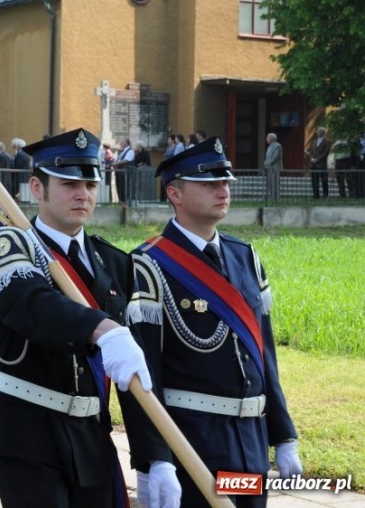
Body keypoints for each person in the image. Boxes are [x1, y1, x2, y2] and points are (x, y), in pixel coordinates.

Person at [0, 128, 171, 508]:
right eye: (69, 184)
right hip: (26, 432)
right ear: (37, 187)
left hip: (91, 433)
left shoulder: (113, 262)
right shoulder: (9, 246)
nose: (83, 194)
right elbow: (32, 306)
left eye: (90, 184)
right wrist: (103, 329)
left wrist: (153, 457)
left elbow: (131, 367)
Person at [126, 137, 302, 507]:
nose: (222, 191)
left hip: (250, 442)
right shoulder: (148, 264)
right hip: (194, 442)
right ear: (174, 193)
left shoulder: (245, 256)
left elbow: (265, 355)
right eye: (209, 184)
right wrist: (155, 458)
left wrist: (284, 435)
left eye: (225, 182)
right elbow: (144, 375)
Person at [308, 126, 330, 199]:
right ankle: (316, 194)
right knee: (314, 180)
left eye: (319, 131)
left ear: (323, 133)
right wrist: (311, 158)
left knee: (324, 180)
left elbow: (326, 152)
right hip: (313, 164)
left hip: (322, 164)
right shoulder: (314, 141)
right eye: (318, 131)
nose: (318, 133)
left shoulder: (327, 141)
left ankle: (325, 194)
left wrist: (317, 159)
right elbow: (311, 152)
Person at [112, 138, 135, 204]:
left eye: (122, 142)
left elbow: (127, 160)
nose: (121, 143)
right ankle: (121, 201)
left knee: (124, 187)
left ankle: (125, 202)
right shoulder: (122, 151)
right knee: (119, 187)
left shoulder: (130, 151)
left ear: (127, 143)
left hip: (125, 173)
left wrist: (116, 163)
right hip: (119, 172)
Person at [263, 132, 283, 201]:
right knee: (270, 183)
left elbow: (276, 156)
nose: (266, 139)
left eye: (267, 137)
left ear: (271, 138)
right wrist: (265, 163)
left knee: (275, 183)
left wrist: (269, 163)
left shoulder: (278, 146)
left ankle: (276, 197)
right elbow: (268, 157)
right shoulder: (269, 147)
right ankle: (271, 196)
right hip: (269, 168)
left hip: (275, 167)